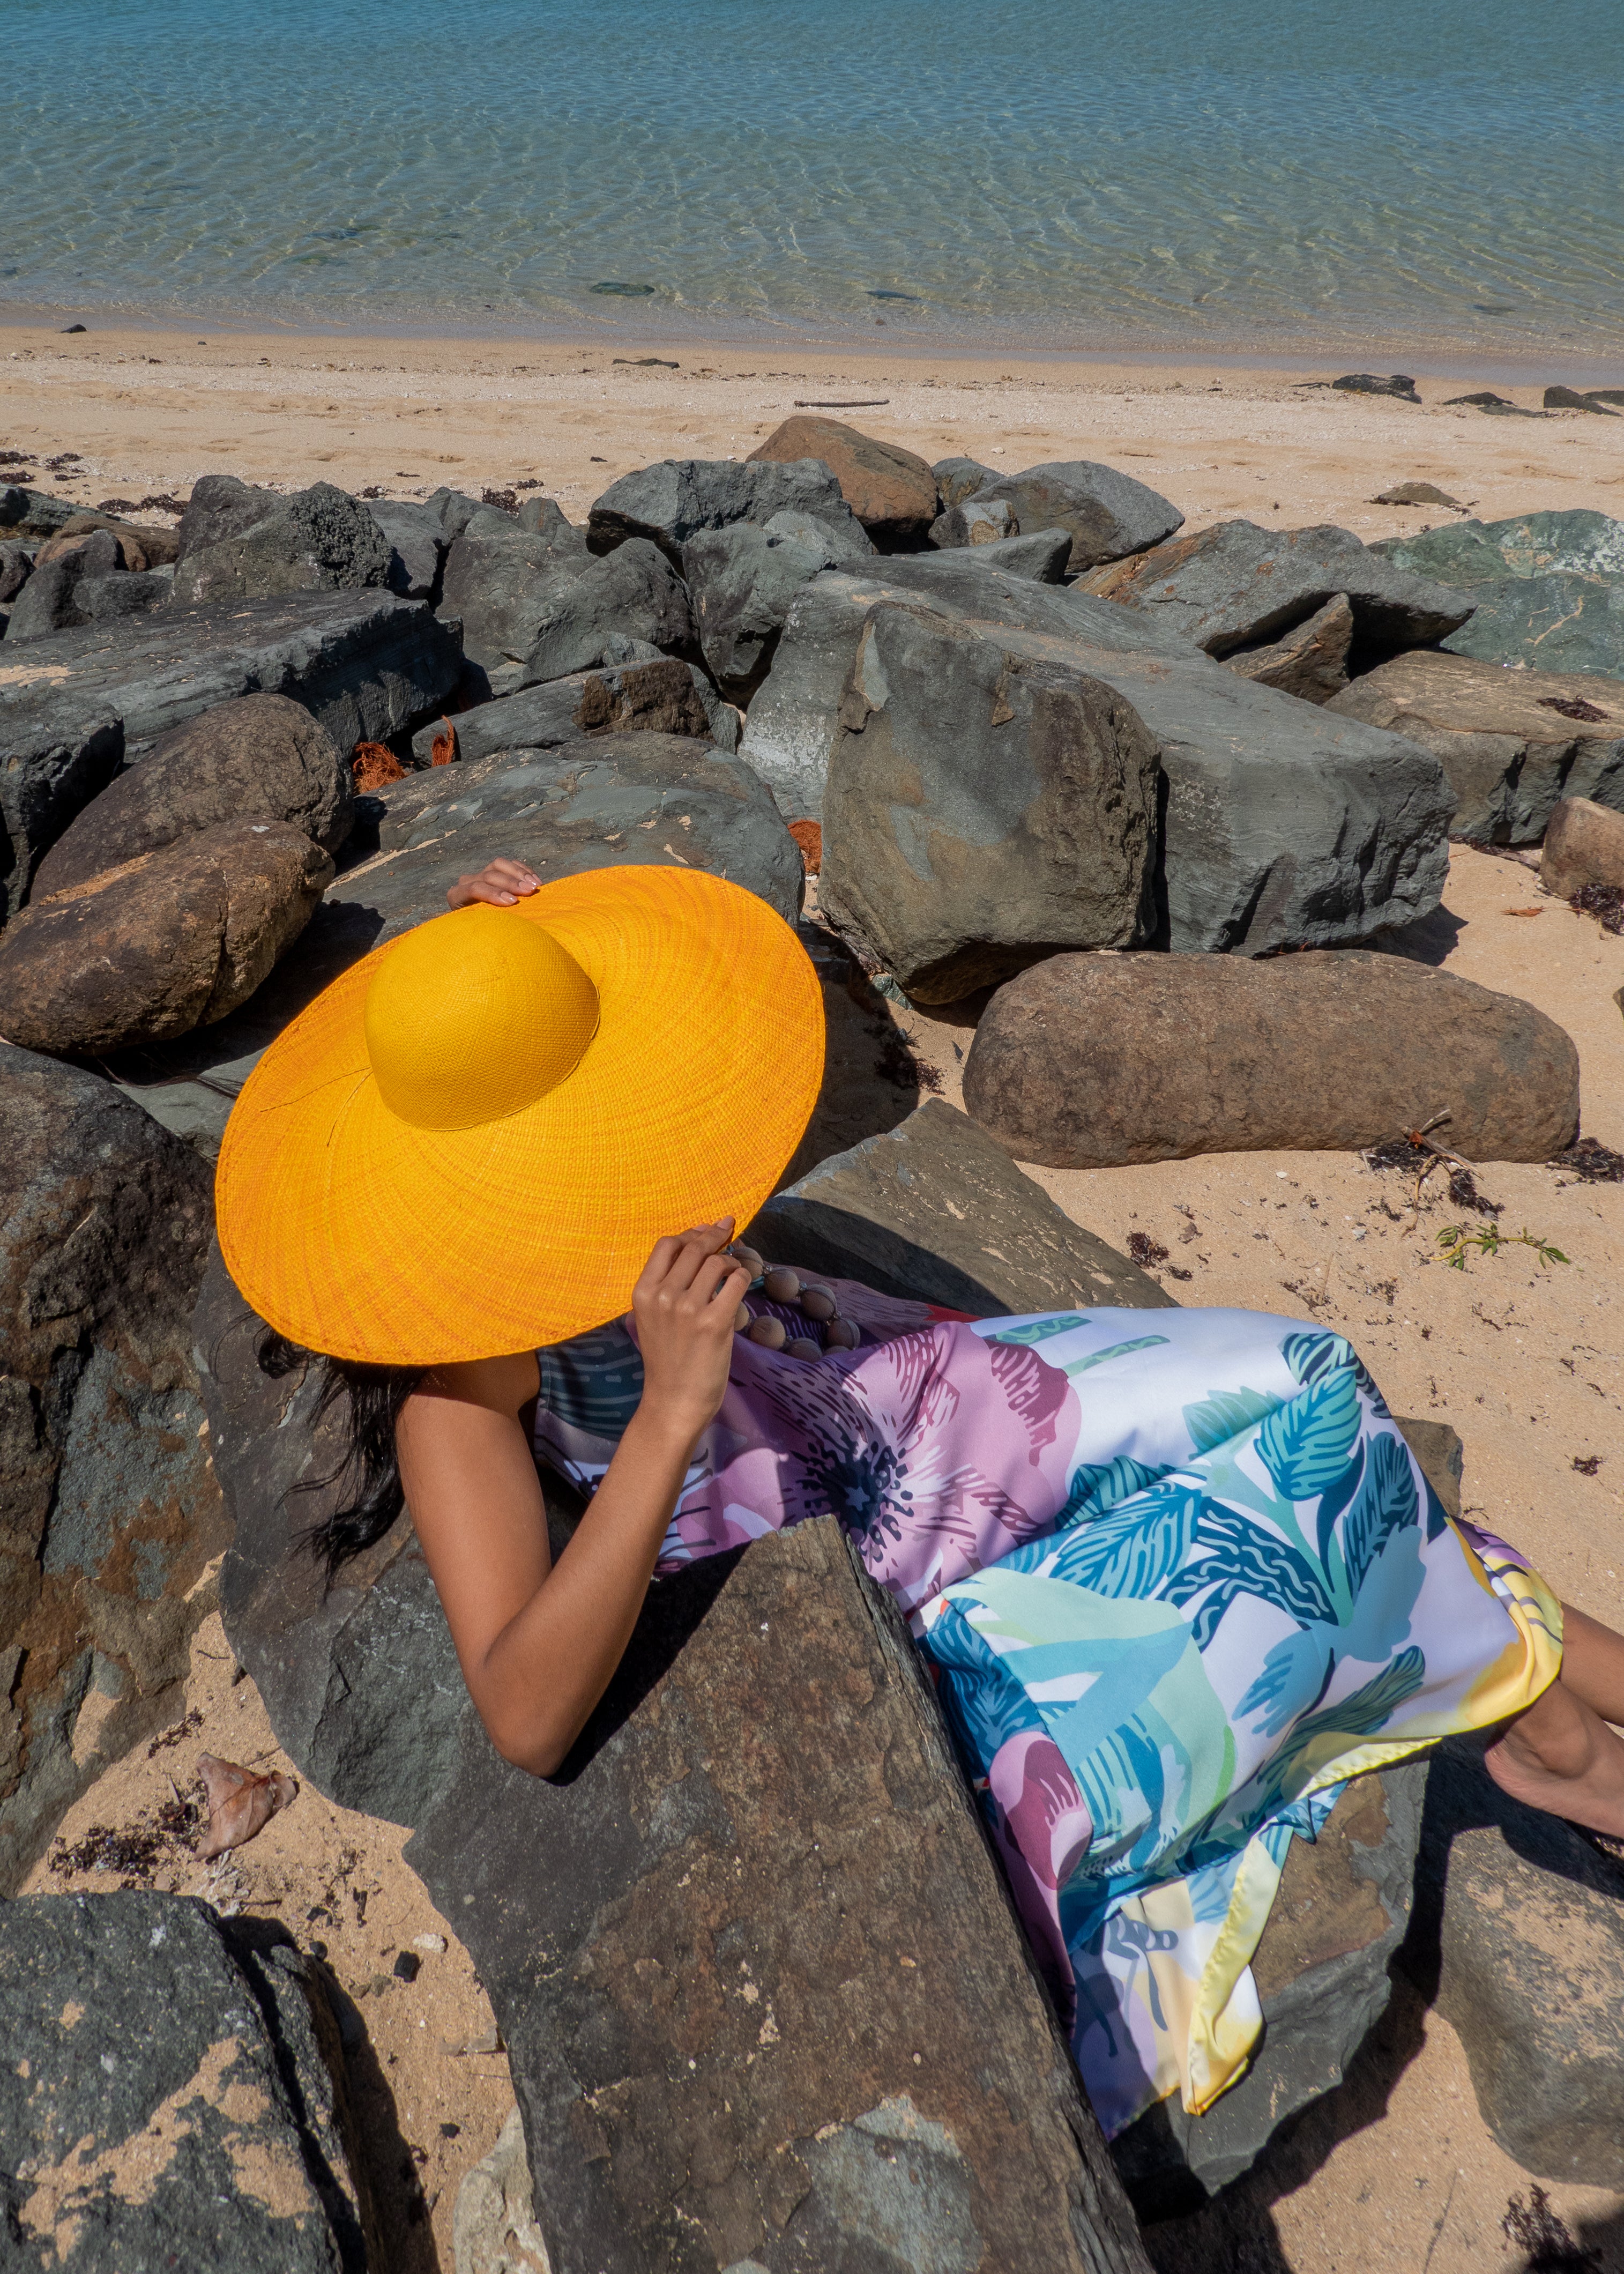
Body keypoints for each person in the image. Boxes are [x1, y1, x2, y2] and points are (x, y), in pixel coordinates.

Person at [218, 855, 1624, 2144]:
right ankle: (1554, 1717)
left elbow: (549, 1050)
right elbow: (524, 1715)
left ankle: (1549, 1708)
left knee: (1308, 1381)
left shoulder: (598, 1133)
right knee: (1279, 1526)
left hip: (902, 1387)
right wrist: (666, 1413)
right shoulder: (456, 1395)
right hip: (876, 1548)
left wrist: (523, 970)